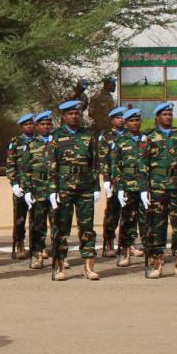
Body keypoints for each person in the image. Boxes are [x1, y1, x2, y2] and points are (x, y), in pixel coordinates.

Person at [142, 102, 177, 278]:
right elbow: (143, 164)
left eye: (170, 114)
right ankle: (157, 264)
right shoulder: (149, 137)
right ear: (157, 117)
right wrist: (144, 189)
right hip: (157, 186)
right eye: (164, 114)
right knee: (157, 225)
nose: (168, 117)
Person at [49, 99, 100, 281]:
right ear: (64, 116)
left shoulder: (88, 135)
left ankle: (88, 266)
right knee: (61, 227)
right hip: (64, 188)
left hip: (85, 187)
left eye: (76, 113)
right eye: (70, 114)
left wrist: (96, 187)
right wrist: (52, 190)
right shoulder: (56, 136)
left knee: (87, 228)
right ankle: (60, 266)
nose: (74, 117)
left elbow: (94, 163)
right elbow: (51, 165)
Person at [13, 111, 55, 268]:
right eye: (42, 124)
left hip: (55, 189)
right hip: (36, 188)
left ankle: (59, 255)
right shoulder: (28, 144)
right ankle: (34, 252)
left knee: (57, 223)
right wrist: (21, 186)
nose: (45, 127)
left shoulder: (57, 142)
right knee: (35, 222)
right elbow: (22, 167)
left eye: (48, 124)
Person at [109, 108, 149, 267]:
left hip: (146, 187)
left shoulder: (148, 140)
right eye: (131, 121)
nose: (135, 123)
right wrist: (119, 188)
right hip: (128, 186)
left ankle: (151, 254)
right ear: (126, 123)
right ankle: (125, 254)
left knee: (148, 221)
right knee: (127, 221)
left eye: (137, 120)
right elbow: (115, 166)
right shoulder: (120, 142)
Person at [97, 107, 127, 258]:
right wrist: (107, 180)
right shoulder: (106, 137)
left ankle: (127, 244)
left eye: (122, 117)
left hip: (130, 180)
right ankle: (108, 243)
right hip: (114, 180)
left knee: (130, 212)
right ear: (112, 120)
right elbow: (103, 159)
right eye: (117, 118)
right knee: (112, 212)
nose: (121, 120)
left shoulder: (131, 135)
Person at [7, 113, 36, 260]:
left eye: (31, 124)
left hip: (37, 185)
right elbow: (10, 164)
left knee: (36, 218)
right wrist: (14, 184)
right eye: (26, 124)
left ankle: (36, 247)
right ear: (21, 127)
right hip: (21, 186)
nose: (29, 126)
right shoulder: (16, 142)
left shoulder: (39, 141)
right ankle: (19, 244)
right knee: (20, 218)